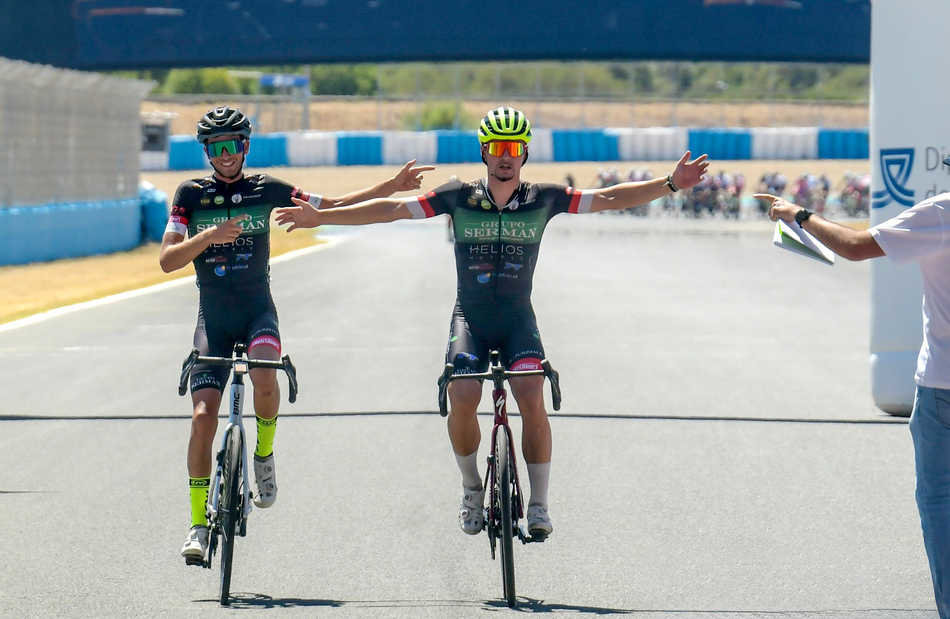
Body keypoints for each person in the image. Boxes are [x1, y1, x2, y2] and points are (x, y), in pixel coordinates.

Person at [274, 106, 709, 538]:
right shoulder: (457, 197)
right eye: (497, 147)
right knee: (463, 392)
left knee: (531, 392)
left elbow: (611, 197)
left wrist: (670, 184)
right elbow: (391, 210)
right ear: (484, 151)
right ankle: (470, 487)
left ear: (524, 154)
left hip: (519, 319)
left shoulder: (545, 198)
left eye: (514, 147)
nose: (505, 155)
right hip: (471, 318)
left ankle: (539, 504)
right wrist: (324, 216)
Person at [160, 106, 433, 563]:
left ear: (245, 147)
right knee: (202, 417)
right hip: (214, 319)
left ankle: (264, 455)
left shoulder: (267, 189)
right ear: (207, 152)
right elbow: (168, 259)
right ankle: (196, 525)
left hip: (256, 313)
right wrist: (209, 237)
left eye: (233, 146)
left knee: (266, 373)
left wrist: (390, 186)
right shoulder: (190, 195)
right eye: (216, 147)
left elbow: (332, 206)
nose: (226, 155)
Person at [756, 188, 950, 617]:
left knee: (940, 502)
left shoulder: (943, 210)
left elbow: (856, 247)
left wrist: (799, 215)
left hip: (943, 386)